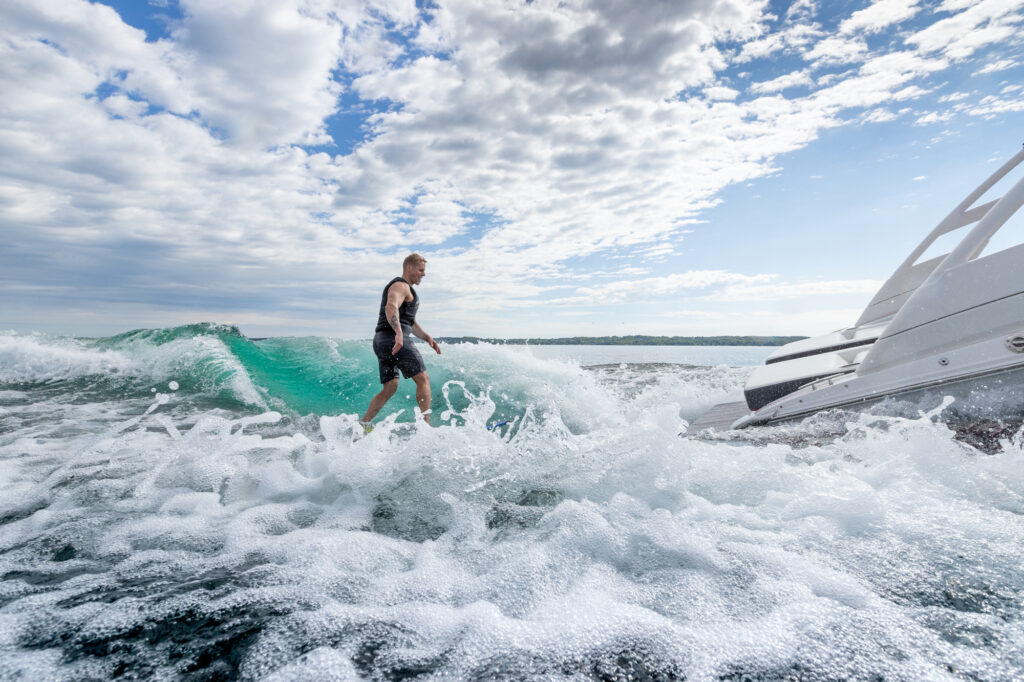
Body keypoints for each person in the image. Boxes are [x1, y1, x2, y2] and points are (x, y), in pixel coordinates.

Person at [361, 253, 441, 429]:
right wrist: (397, 332)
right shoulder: (400, 286)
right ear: (409, 268)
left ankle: (364, 423)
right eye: (421, 270)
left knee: (390, 387)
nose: (423, 274)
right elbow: (391, 306)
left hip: (381, 340)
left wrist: (427, 337)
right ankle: (425, 429)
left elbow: (409, 322)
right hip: (393, 338)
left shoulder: (407, 291)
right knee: (423, 379)